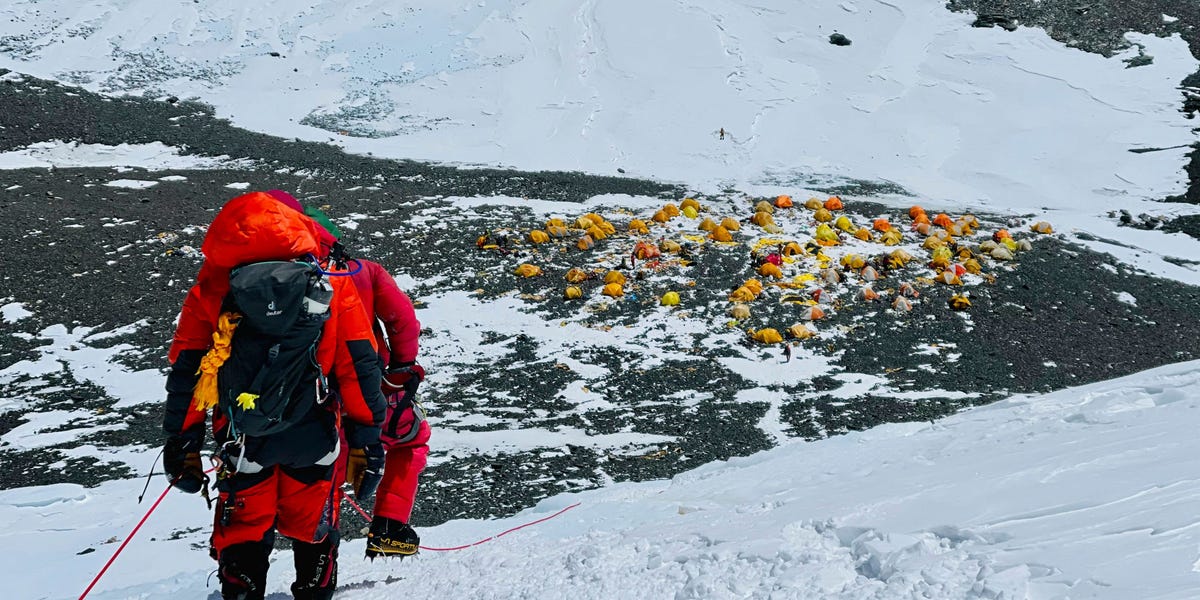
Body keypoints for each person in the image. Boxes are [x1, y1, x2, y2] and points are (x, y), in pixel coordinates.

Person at [161, 191, 386, 600]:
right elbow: (358, 364)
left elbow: (189, 370)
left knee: (244, 525)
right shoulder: (331, 280)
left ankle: (243, 587)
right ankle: (315, 586)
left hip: (242, 436)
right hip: (314, 430)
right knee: (313, 519)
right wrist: (367, 438)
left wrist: (182, 440)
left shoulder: (212, 287)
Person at [300, 205, 431, 558]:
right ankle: (389, 526)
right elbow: (403, 320)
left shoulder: (272, 277)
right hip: (370, 387)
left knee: (327, 468)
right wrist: (401, 369)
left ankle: (314, 554)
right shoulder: (364, 272)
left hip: (302, 396)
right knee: (411, 439)